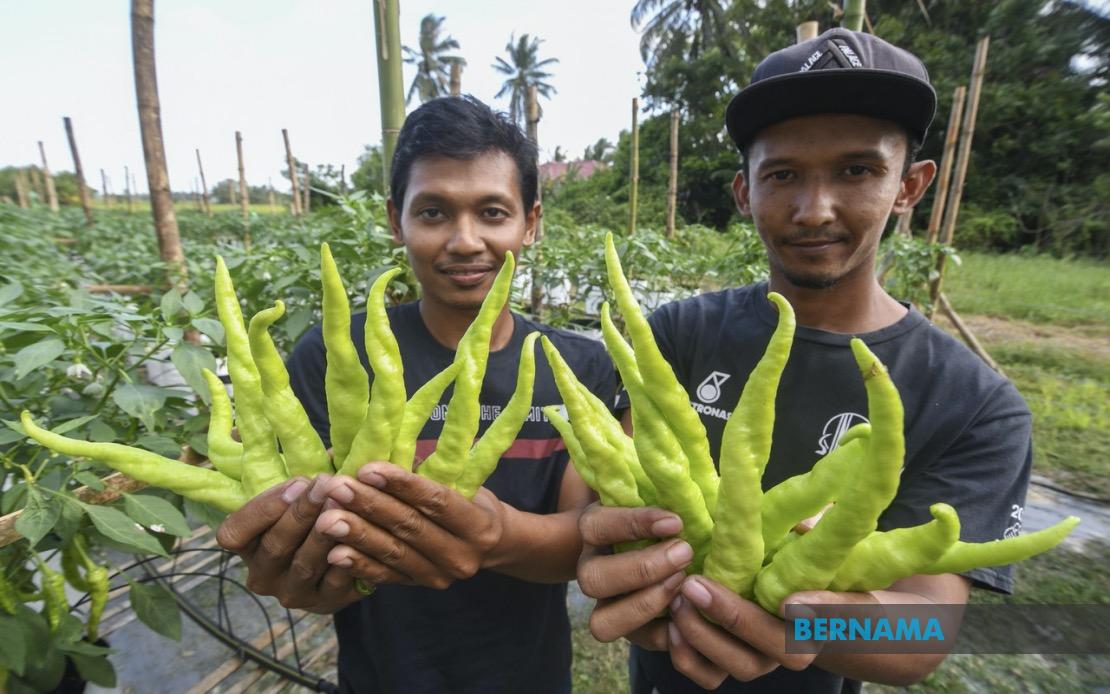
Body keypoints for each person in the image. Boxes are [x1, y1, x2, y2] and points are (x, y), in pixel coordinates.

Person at [575, 28, 1033, 692]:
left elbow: (922, 635)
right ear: (743, 192)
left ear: (910, 185)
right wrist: (606, 546)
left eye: (858, 170)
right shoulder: (674, 334)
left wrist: (795, 615)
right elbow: (607, 502)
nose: (814, 210)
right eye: (783, 174)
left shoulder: (976, 404)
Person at [216, 96, 617, 693]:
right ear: (394, 219)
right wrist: (298, 562)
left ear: (530, 223)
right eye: (432, 212)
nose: (464, 241)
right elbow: (296, 510)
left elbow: (584, 537)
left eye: (492, 212)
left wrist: (496, 537)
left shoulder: (579, 365)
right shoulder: (333, 355)